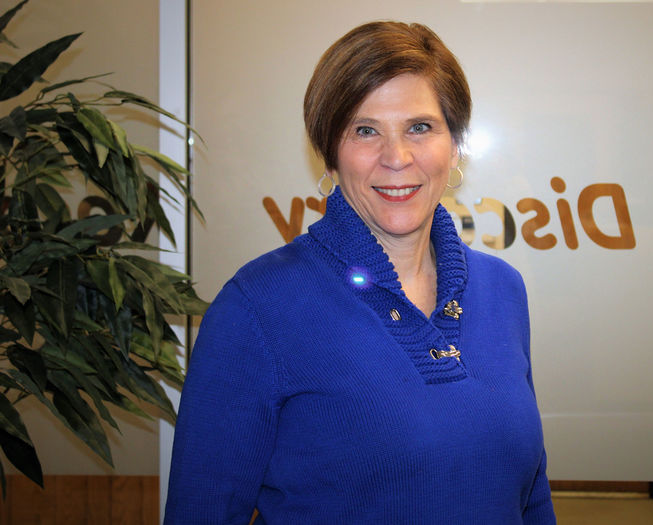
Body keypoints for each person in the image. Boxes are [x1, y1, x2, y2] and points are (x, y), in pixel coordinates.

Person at [165, 21, 556, 524]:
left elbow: (532, 496)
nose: (397, 158)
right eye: (365, 130)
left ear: (454, 146)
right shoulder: (257, 307)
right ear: (328, 153)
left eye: (420, 127)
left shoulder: (503, 288)